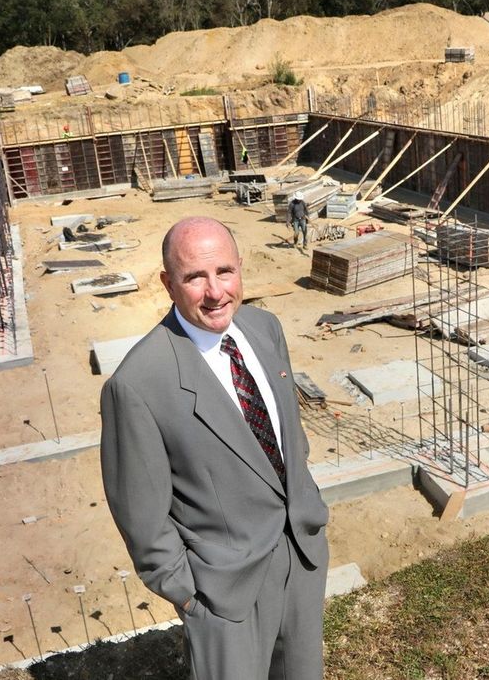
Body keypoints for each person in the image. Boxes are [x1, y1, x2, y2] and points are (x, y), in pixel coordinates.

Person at [101, 217, 330, 680]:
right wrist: (189, 595)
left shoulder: (265, 329)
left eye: (224, 271)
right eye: (194, 277)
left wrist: (307, 512)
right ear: (168, 283)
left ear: (240, 267)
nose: (215, 292)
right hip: (222, 590)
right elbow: (142, 516)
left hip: (301, 557)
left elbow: (289, 435)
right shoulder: (138, 384)